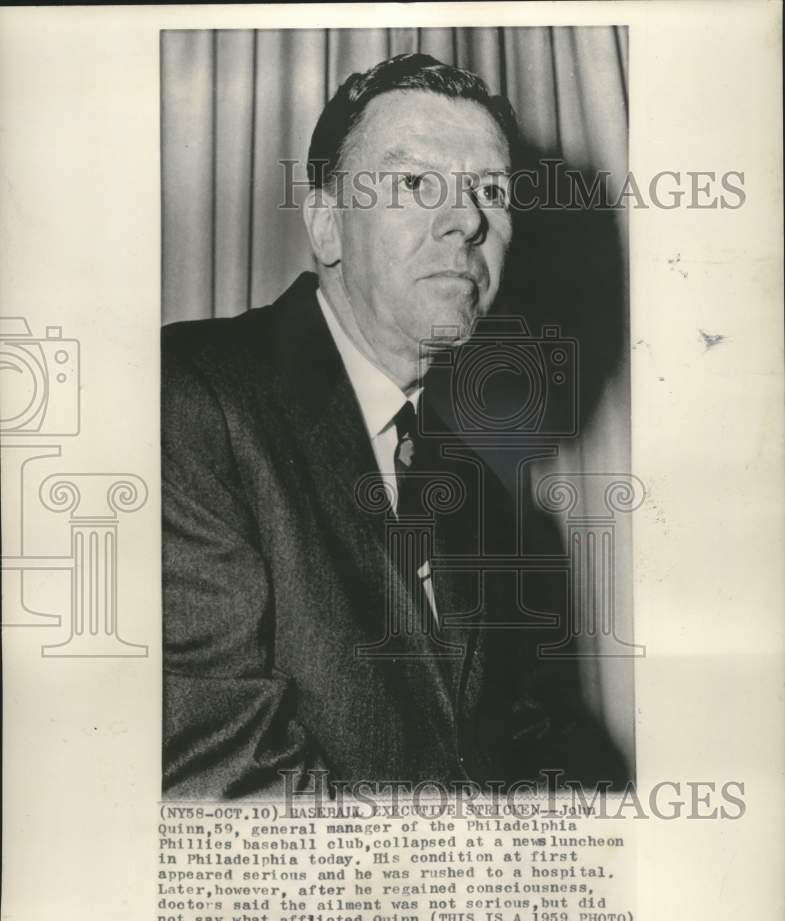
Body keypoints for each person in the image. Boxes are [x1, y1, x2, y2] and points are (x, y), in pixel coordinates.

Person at [161, 53, 627, 799]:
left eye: (490, 191)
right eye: (414, 183)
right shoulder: (188, 399)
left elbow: (523, 739)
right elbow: (216, 779)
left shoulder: (473, 485)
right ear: (326, 225)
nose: (468, 220)